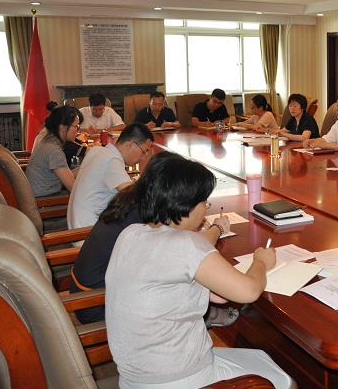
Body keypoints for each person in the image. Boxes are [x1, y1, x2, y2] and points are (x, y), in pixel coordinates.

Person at [105, 155, 293, 389]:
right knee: (285, 381)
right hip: (177, 379)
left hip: (134, 378)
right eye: (204, 202)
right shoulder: (187, 244)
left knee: (261, 357)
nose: (206, 208)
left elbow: (164, 278)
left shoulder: (130, 234)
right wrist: (260, 262)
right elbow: (249, 290)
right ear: (186, 205)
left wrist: (201, 289)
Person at [70, 151, 235, 328]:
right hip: (97, 303)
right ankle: (207, 314)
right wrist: (217, 229)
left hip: (86, 289)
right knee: (181, 270)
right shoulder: (147, 217)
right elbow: (191, 248)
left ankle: (208, 313)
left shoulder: (133, 198)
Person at [67, 123, 154, 235]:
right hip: (87, 233)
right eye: (144, 152)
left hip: (77, 227)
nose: (143, 158)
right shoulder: (111, 160)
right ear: (130, 144)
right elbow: (135, 198)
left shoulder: (97, 150)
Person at [25, 105, 82, 196]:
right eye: (76, 127)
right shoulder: (54, 150)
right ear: (63, 127)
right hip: (46, 200)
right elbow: (73, 188)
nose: (78, 131)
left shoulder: (49, 141)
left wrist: (85, 168)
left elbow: (66, 175)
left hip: (43, 195)